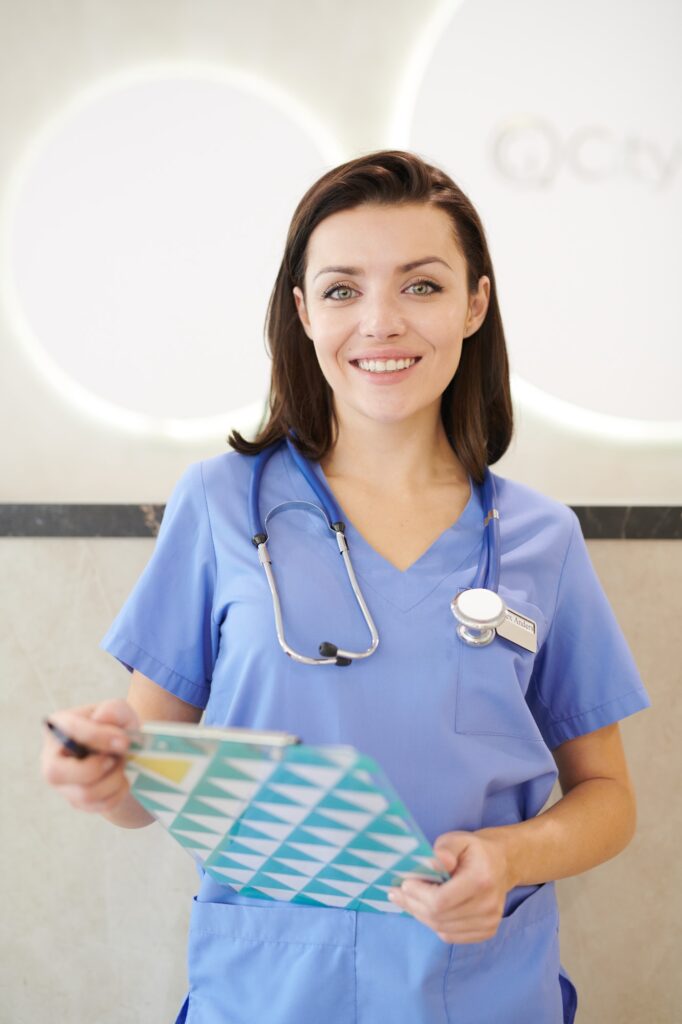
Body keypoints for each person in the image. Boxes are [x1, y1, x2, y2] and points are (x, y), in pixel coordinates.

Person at [41, 150, 651, 1024]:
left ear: (475, 302)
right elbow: (146, 784)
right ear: (302, 312)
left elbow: (609, 798)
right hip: (268, 991)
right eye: (340, 290)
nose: (380, 323)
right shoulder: (219, 506)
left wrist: (511, 858)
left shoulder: (539, 539)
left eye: (422, 286)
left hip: (478, 991)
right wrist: (106, 778)